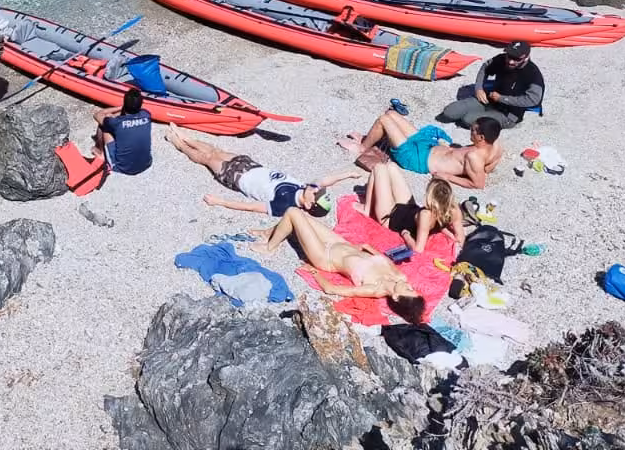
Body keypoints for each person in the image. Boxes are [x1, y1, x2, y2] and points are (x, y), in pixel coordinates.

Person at [253, 209, 427, 323]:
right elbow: (384, 259)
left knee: (293, 213)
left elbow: (332, 289)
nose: (410, 285)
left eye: (410, 290)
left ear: (396, 297)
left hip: (324, 256)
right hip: (339, 243)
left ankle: (270, 248)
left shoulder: (374, 289)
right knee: (301, 216)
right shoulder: (399, 277)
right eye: (413, 288)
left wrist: (315, 272)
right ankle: (269, 233)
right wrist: (366, 247)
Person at [164, 125, 357, 216]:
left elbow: (251, 207)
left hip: (236, 177)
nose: (316, 189)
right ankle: (186, 138)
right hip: (251, 165)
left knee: (206, 159)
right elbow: (325, 181)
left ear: (308, 205)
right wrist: (348, 174)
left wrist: (220, 202)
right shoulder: (305, 188)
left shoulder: (285, 205)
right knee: (217, 151)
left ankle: (178, 144)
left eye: (316, 194)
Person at [347, 107, 503, 189]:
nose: (470, 131)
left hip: (417, 159)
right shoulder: (495, 145)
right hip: (429, 146)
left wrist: (448, 176)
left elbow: (478, 184)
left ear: (482, 137)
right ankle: (369, 139)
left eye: (473, 130)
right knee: (391, 114)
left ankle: (362, 147)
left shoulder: (474, 157)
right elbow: (488, 167)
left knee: (384, 120)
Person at [359, 162, 465, 253]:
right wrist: (448, 233)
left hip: (390, 217)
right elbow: (460, 239)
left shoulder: (425, 215)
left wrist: (405, 234)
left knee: (379, 167)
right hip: (409, 208)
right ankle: (374, 199)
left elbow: (418, 249)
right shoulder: (454, 210)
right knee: (391, 166)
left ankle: (367, 209)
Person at [438, 41, 544, 129]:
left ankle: (481, 116)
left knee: (468, 120)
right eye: (509, 56)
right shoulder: (501, 59)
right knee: (449, 112)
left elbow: (534, 100)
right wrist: (479, 89)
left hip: (509, 114)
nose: (511, 61)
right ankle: (479, 112)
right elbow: (485, 67)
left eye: (516, 59)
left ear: (526, 57)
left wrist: (503, 99)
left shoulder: (533, 74)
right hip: (490, 100)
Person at [94, 89, 153, 175]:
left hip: (124, 168)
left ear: (125, 104)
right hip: (147, 163)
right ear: (140, 105)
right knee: (122, 128)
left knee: (105, 127)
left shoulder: (117, 123)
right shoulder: (146, 115)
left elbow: (97, 115)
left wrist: (120, 108)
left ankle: (102, 154)